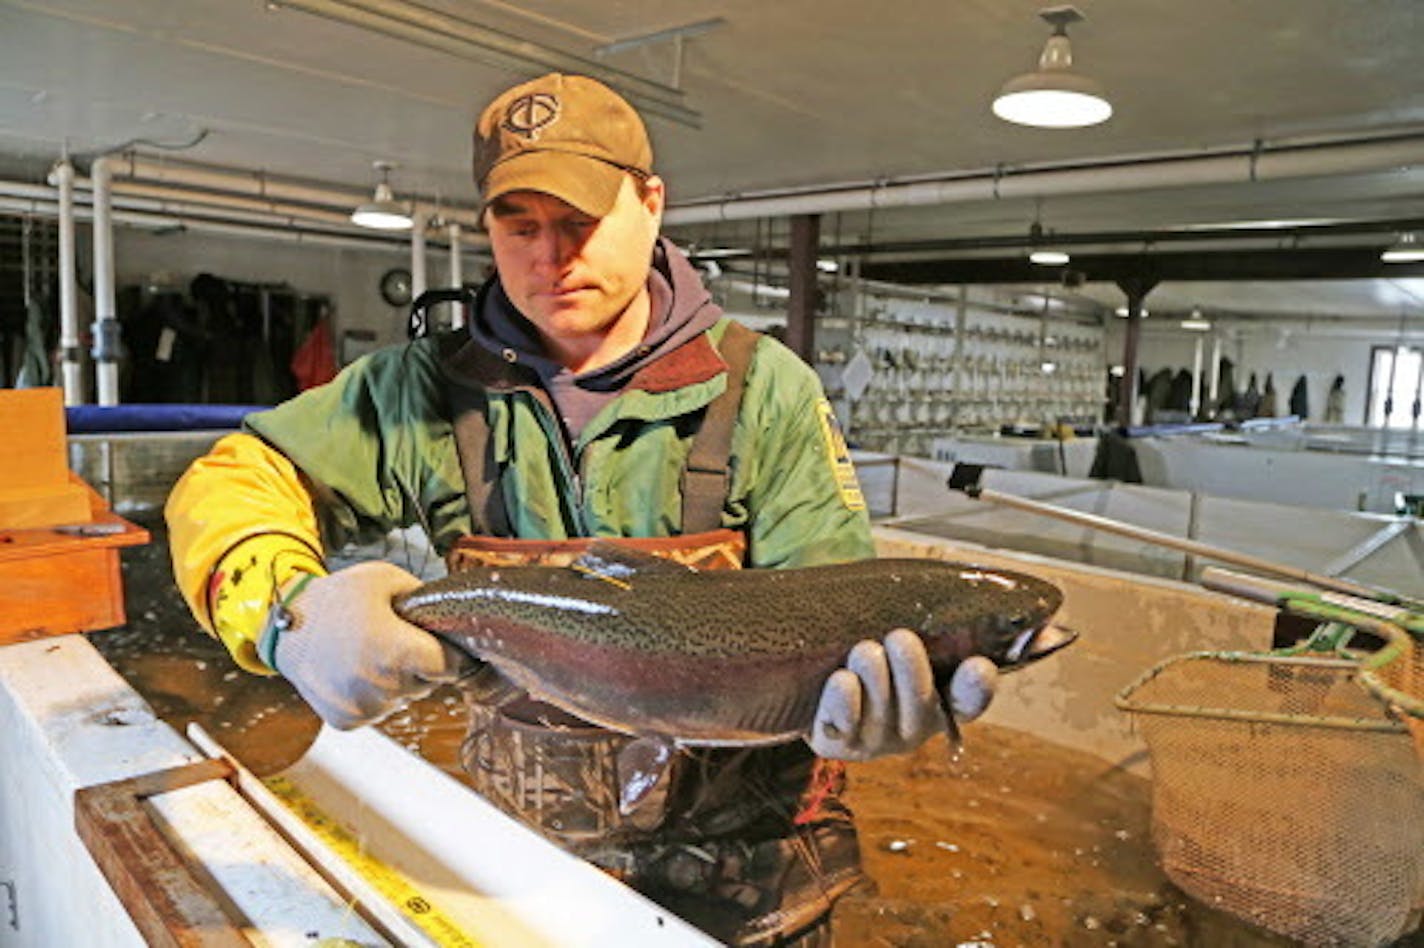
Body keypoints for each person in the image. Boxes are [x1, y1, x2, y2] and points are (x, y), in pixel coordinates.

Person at [166, 72, 996, 946]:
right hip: (516, 863)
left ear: (651, 203)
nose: (549, 257)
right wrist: (287, 611)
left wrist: (860, 706)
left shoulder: (762, 390)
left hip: (753, 875)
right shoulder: (419, 389)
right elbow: (236, 479)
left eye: (579, 223)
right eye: (518, 226)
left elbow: (834, 602)